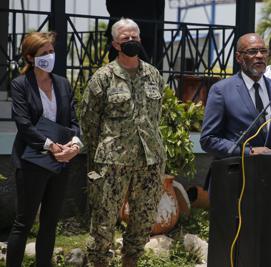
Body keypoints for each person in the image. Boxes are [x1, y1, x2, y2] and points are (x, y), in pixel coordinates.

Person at [80, 18, 166, 267]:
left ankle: (131, 262)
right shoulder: (103, 78)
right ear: (115, 44)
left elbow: (156, 116)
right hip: (112, 163)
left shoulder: (153, 75)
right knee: (104, 223)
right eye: (126, 39)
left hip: (149, 161)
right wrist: (101, 154)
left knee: (143, 221)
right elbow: (89, 121)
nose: (131, 42)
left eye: (135, 38)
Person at [6, 32, 82, 267]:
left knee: (50, 223)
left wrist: (75, 146)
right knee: (24, 223)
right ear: (30, 57)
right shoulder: (20, 85)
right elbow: (24, 124)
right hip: (31, 162)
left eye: (51, 51)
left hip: (61, 162)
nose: (50, 56)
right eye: (44, 53)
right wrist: (50, 146)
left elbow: (74, 121)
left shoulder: (62, 83)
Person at [200, 33, 271, 159]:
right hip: (236, 173)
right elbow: (208, 140)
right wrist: (248, 151)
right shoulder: (221, 90)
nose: (259, 56)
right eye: (252, 51)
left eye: (263, 51)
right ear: (239, 57)